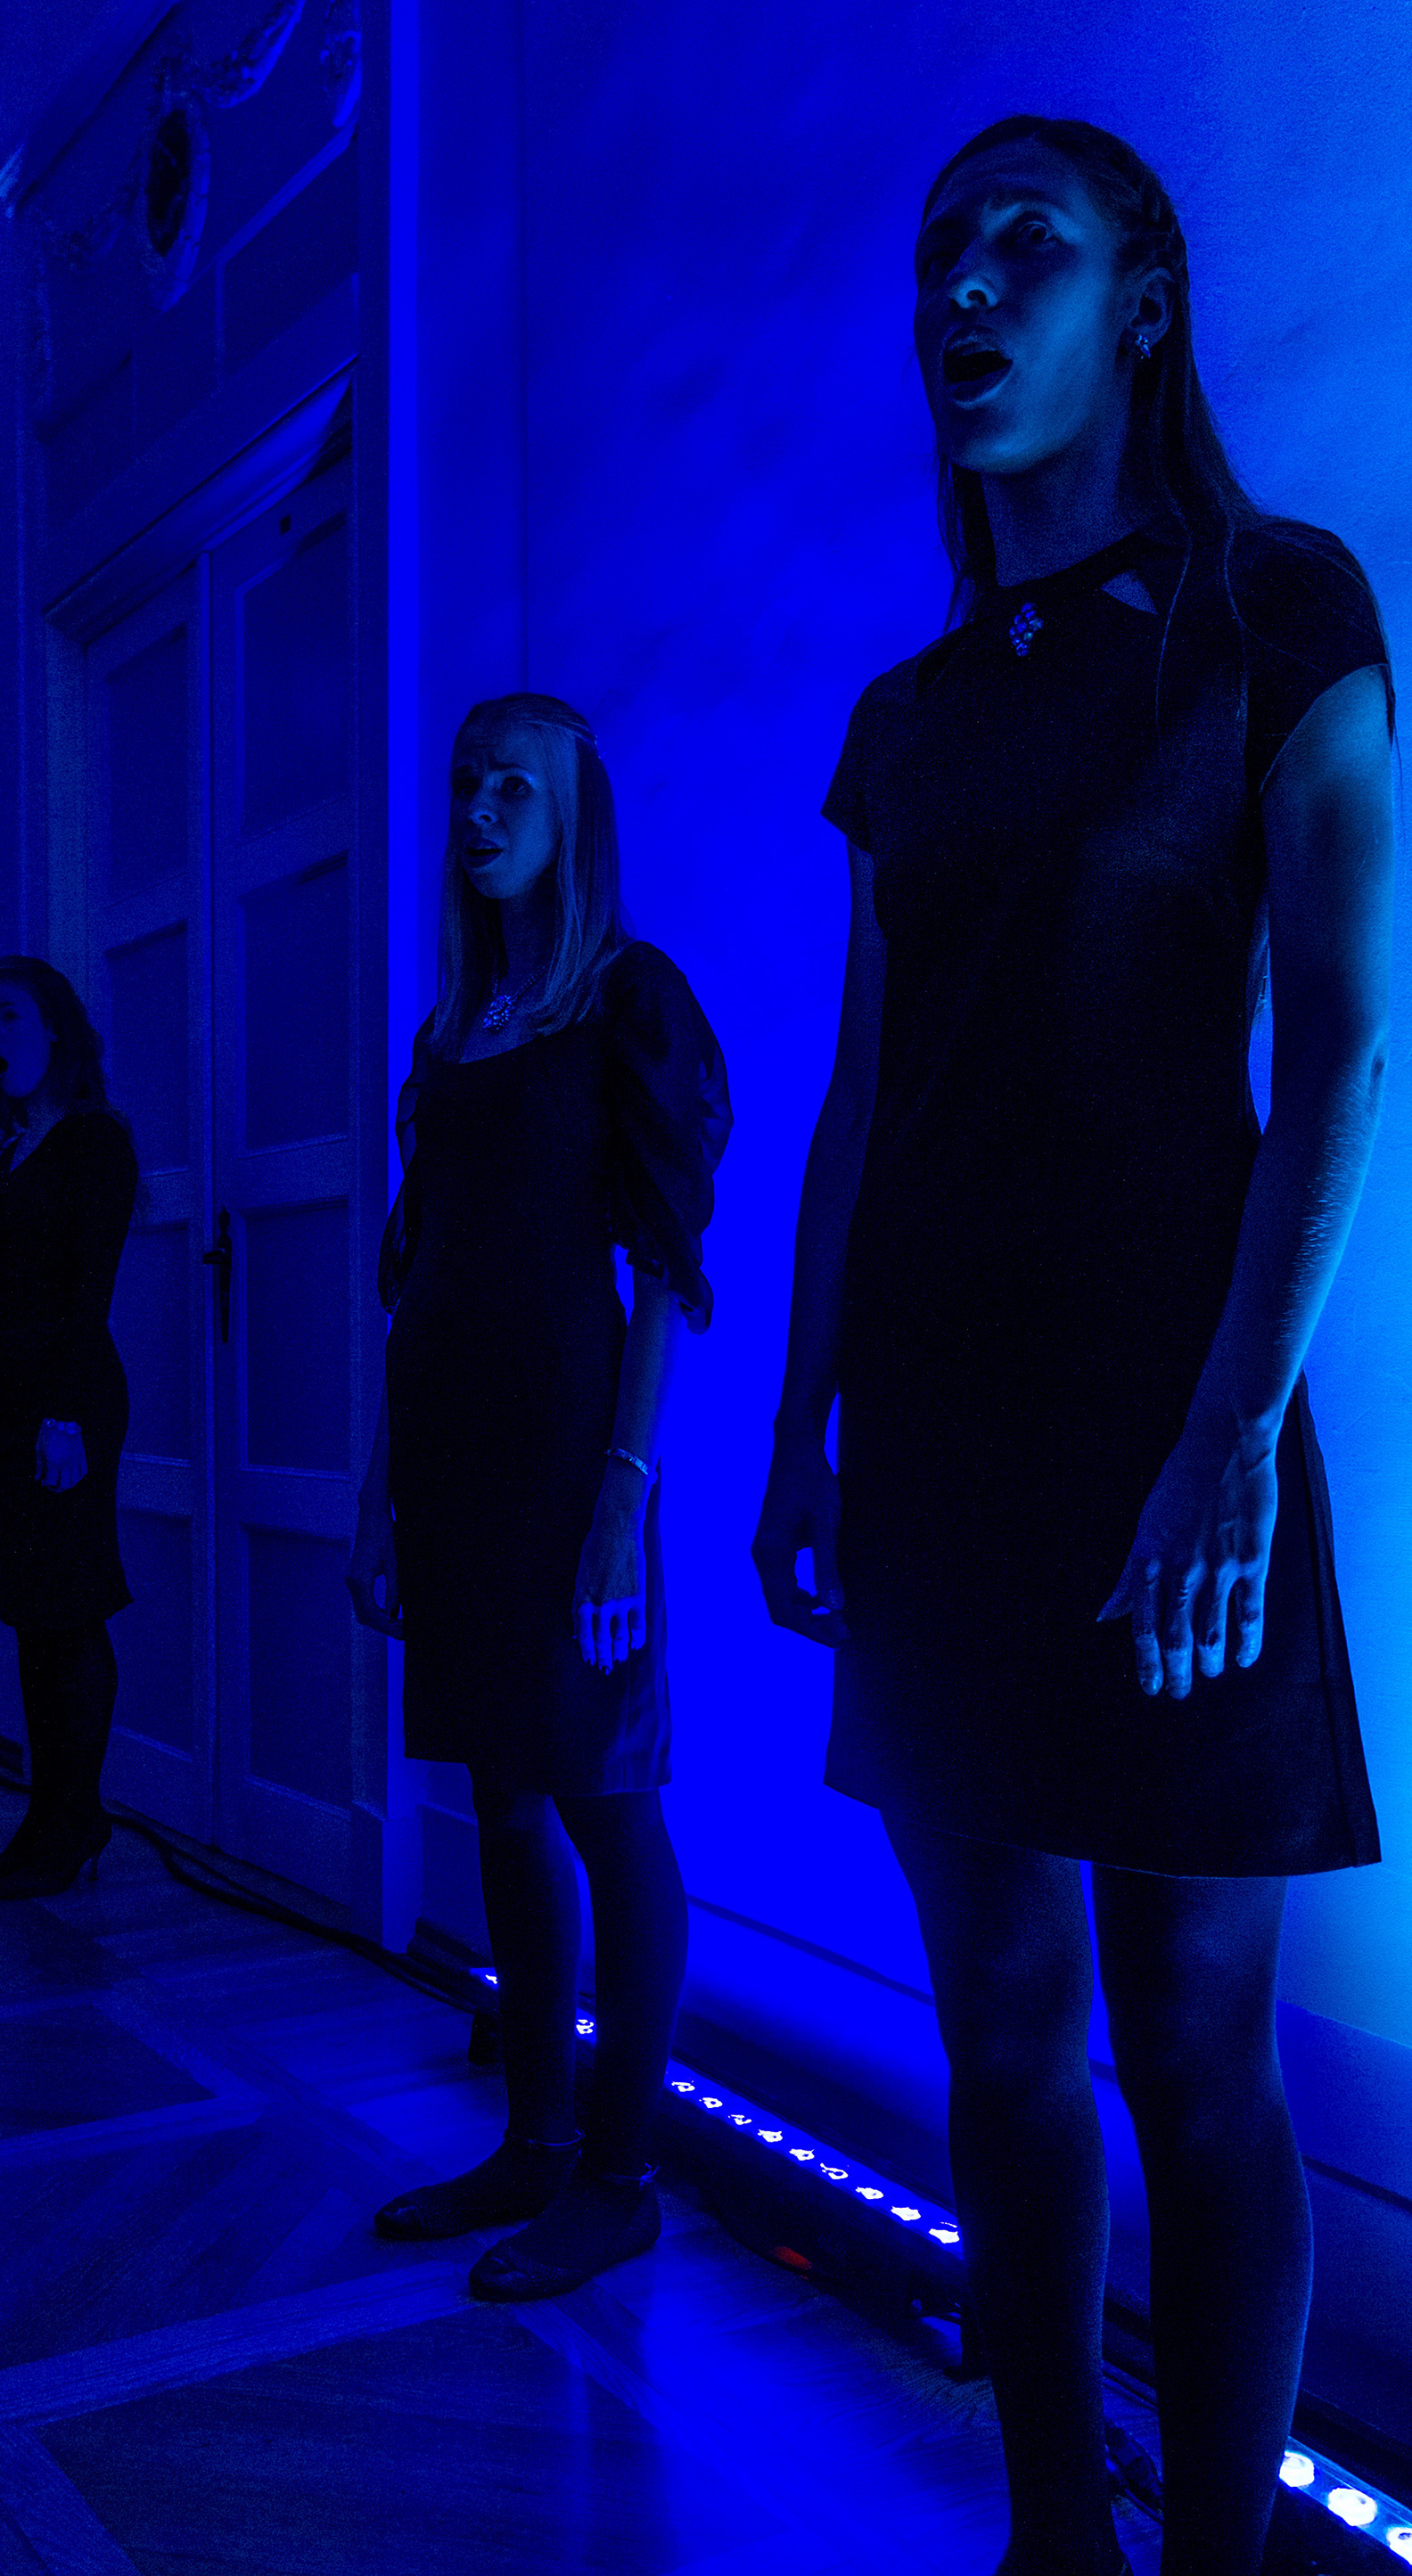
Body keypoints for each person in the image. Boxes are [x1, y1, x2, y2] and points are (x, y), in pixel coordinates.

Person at [752, 119, 1391, 2576]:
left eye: (1028, 240)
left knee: (1195, 2055)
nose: (965, 285)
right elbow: (862, 1098)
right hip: (937, 1439)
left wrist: (1233, 1429)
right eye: (940, 249)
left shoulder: (1271, 607)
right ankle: (1054, 2536)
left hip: (1171, 1426)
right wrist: (796, 1427)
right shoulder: (906, 719)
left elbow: (1342, 1035)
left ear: (1142, 299)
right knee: (1002, 2039)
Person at [349, 693, 731, 2300]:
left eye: (515, 786)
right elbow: (421, 1280)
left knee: (605, 1802)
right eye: (465, 784)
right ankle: (534, 2138)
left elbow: (663, 1282)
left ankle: (621, 2177)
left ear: (574, 817)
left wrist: (621, 1503)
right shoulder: (451, 1032)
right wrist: (378, 1493)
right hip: (451, 1469)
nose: (479, 811)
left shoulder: (630, 1002)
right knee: (502, 1801)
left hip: (575, 1473)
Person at [0, 957, 140, 1899]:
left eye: (8, 1016)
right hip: (12, 1396)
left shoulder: (94, 1141)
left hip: (68, 1397)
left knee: (70, 1610)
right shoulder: (13, 1149)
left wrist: (64, 1417)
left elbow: (85, 1292)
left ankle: (77, 1819)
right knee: (33, 1616)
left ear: (55, 1025)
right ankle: (46, 1817)